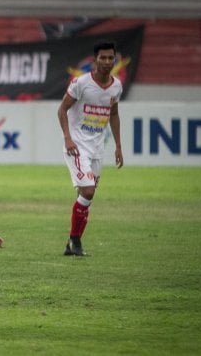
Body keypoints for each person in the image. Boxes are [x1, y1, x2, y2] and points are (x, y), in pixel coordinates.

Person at [57, 40, 124, 256]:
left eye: (110, 58)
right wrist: (67, 138)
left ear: (114, 60)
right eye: (102, 57)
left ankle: (72, 245)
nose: (106, 61)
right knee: (88, 190)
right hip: (77, 146)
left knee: (87, 197)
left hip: (97, 149)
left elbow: (113, 115)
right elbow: (62, 109)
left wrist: (118, 147)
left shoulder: (116, 86)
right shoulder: (81, 83)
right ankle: (75, 241)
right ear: (95, 60)